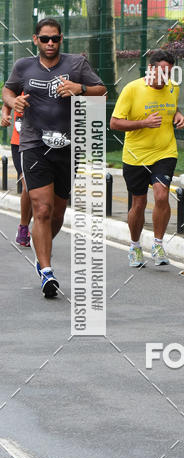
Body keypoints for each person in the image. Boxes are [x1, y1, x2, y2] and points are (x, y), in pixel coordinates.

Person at [2, 18, 105, 297]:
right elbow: (8, 89)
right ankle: (46, 270)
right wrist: (12, 102)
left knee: (58, 212)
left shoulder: (77, 64)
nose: (50, 43)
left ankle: (41, 247)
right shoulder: (23, 66)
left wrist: (80, 88)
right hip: (34, 144)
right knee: (42, 209)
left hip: (68, 146)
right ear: (35, 39)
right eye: (45, 39)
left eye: (55, 39)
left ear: (61, 39)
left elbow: (101, 90)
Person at [110, 49, 184, 268]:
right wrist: (143, 123)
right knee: (139, 202)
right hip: (136, 156)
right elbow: (114, 123)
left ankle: (158, 244)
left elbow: (171, 106)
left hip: (165, 151)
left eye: (169, 73)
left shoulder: (173, 87)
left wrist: (178, 114)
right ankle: (135, 246)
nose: (166, 77)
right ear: (151, 69)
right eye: (162, 72)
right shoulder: (132, 89)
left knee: (161, 195)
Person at [0, 103, 32, 245]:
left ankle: (39, 227)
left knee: (41, 192)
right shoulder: (18, 87)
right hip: (20, 143)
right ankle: (24, 227)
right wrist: (5, 115)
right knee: (29, 185)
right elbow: (7, 104)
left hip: (43, 144)